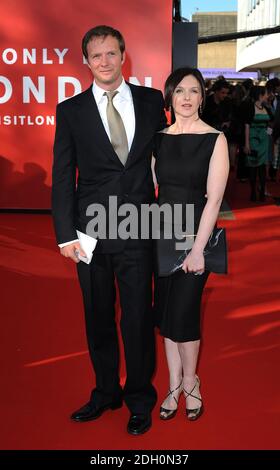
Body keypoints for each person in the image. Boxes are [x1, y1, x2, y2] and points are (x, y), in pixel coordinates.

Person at [52, 25, 166, 435]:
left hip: (139, 228)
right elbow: (63, 175)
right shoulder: (71, 111)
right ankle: (104, 392)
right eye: (96, 55)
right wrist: (65, 234)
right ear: (86, 61)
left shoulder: (153, 102)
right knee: (97, 316)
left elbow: (166, 162)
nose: (104, 61)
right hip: (90, 235)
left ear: (123, 56)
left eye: (111, 54)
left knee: (137, 318)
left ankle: (139, 397)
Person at [153, 67, 229, 421]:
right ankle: (172, 383)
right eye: (180, 91)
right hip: (161, 236)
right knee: (167, 316)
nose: (186, 97)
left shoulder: (215, 139)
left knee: (184, 314)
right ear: (170, 96)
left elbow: (214, 200)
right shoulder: (159, 138)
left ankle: (191, 381)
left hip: (197, 237)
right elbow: (150, 188)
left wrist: (198, 249)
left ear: (202, 97)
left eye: (194, 91)